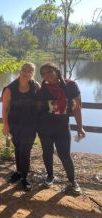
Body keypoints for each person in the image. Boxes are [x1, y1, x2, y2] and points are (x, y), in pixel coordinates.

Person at [36, 63, 85, 194]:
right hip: (45, 127)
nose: (47, 75)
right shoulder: (42, 90)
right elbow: (37, 108)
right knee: (47, 152)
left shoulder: (70, 86)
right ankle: (50, 176)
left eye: (49, 71)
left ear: (57, 71)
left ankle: (72, 181)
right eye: (44, 74)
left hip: (62, 125)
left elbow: (77, 108)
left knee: (65, 155)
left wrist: (80, 127)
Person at [2, 62, 40, 191]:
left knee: (26, 151)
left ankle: (24, 177)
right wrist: (5, 125)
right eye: (24, 70)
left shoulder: (36, 86)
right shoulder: (9, 88)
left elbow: (42, 103)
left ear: (32, 74)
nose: (26, 73)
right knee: (18, 148)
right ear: (20, 71)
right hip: (15, 125)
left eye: (30, 71)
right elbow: (5, 108)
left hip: (31, 125)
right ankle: (18, 172)